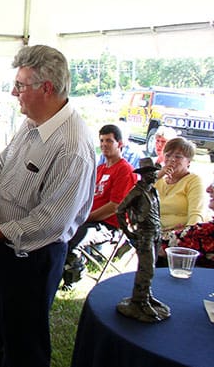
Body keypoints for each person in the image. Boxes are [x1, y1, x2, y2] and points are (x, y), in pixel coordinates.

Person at [0, 45, 96, 367]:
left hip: (31, 259)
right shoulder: (32, 123)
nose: (12, 92)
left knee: (23, 347)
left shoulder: (72, 147)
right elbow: (4, 169)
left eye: (20, 85)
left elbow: (53, 221)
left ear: (45, 88)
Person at [62, 124, 137, 289]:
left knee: (73, 237)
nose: (104, 144)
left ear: (120, 144)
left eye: (109, 141)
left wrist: (86, 217)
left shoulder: (125, 170)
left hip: (109, 225)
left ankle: (72, 277)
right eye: (102, 140)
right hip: (90, 219)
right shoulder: (101, 168)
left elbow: (114, 207)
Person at [116, 158, 170, 322]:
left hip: (155, 232)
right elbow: (120, 210)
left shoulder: (153, 191)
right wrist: (128, 232)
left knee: (149, 267)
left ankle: (146, 294)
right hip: (144, 233)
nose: (155, 176)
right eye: (152, 173)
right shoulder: (137, 192)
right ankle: (140, 301)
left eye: (155, 173)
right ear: (144, 175)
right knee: (146, 268)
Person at [155, 137, 206, 231]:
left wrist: (186, 234)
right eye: (168, 155)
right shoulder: (157, 179)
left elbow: (196, 215)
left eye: (178, 156)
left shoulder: (194, 181)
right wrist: (158, 176)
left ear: (188, 162)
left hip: (179, 236)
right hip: (152, 233)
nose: (172, 159)